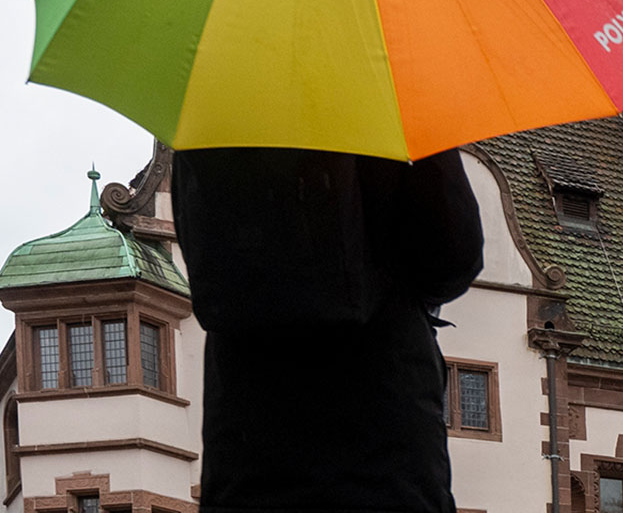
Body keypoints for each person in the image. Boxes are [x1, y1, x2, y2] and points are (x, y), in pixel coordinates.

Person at [171, 147, 484, 513]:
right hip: (379, 431)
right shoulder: (385, 102)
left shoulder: (208, 116)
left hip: (248, 440)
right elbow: (452, 255)